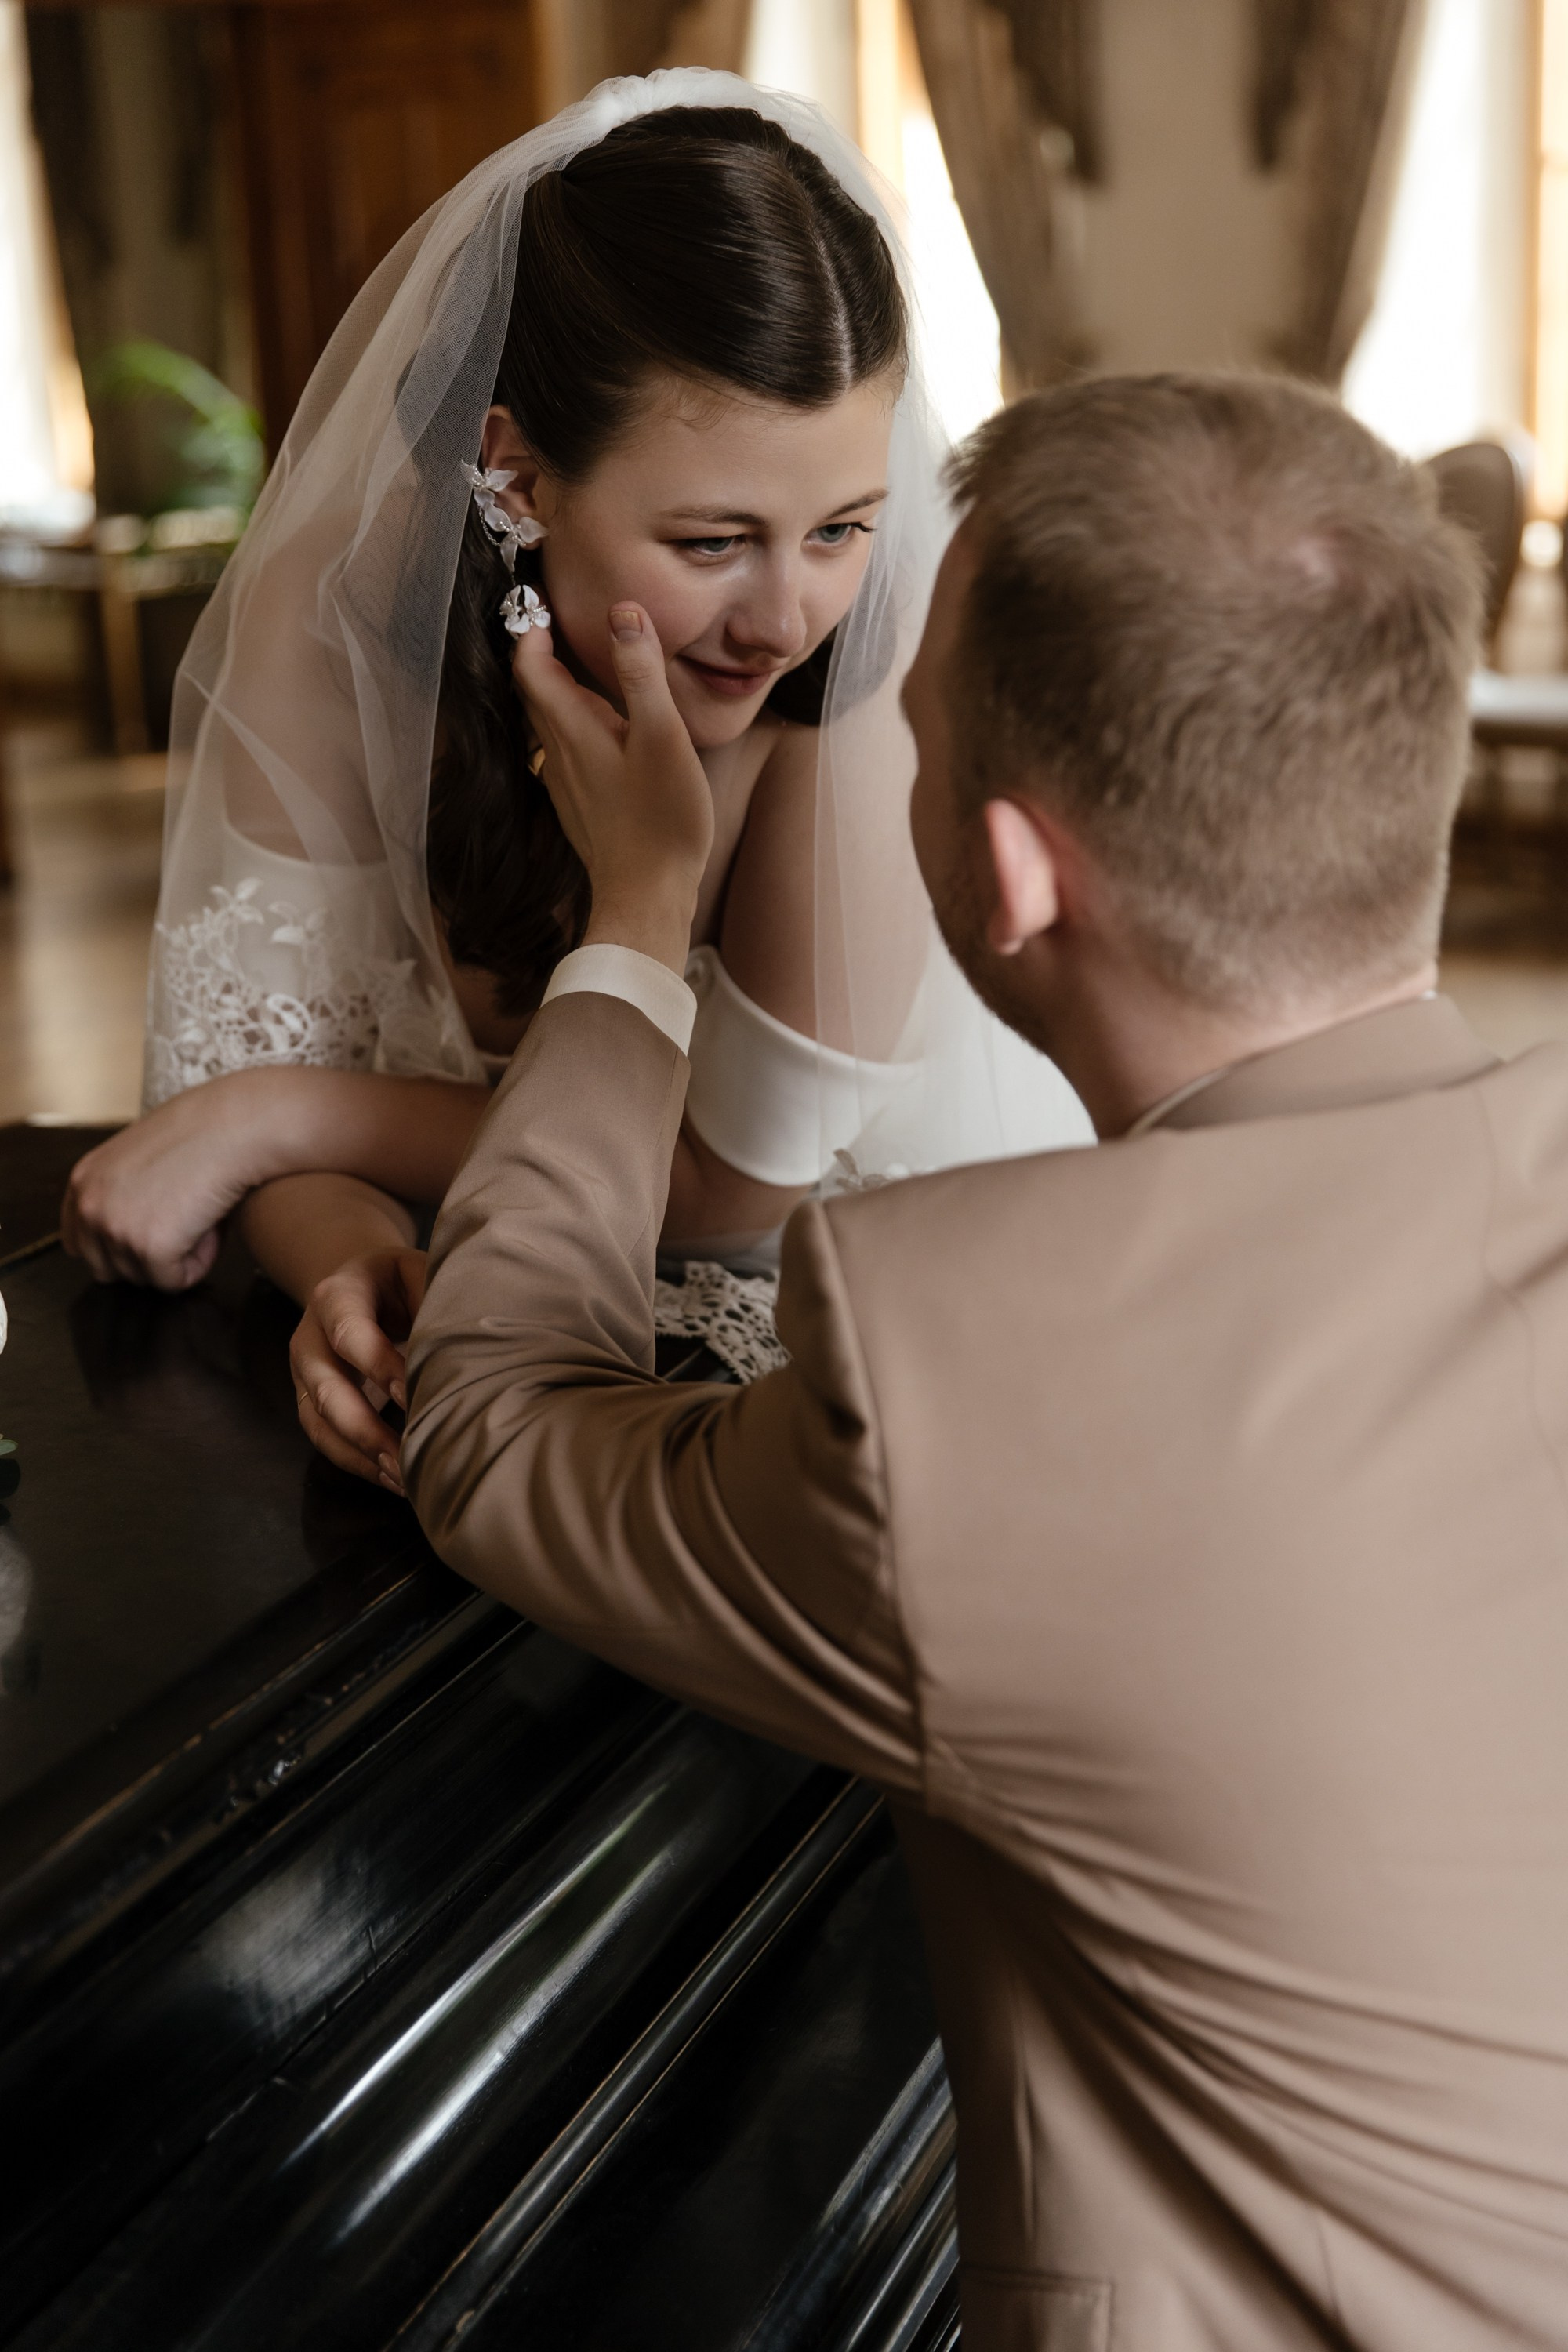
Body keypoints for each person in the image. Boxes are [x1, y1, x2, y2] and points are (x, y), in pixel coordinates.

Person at [401, 372, 1568, 2350]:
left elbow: (500, 1434)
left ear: (1011, 878)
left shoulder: (967, 1359)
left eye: (909, 743)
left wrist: (636, 920)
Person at [58, 72, 1089, 1465]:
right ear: (519, 478)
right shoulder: (335, 606)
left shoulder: (865, 690)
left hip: (833, 1368)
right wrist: (349, 1251)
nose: (787, 619)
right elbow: (256, 1073)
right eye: (714, 542)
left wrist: (274, 1116)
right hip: (494, 1326)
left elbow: (727, 1194)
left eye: (844, 526)